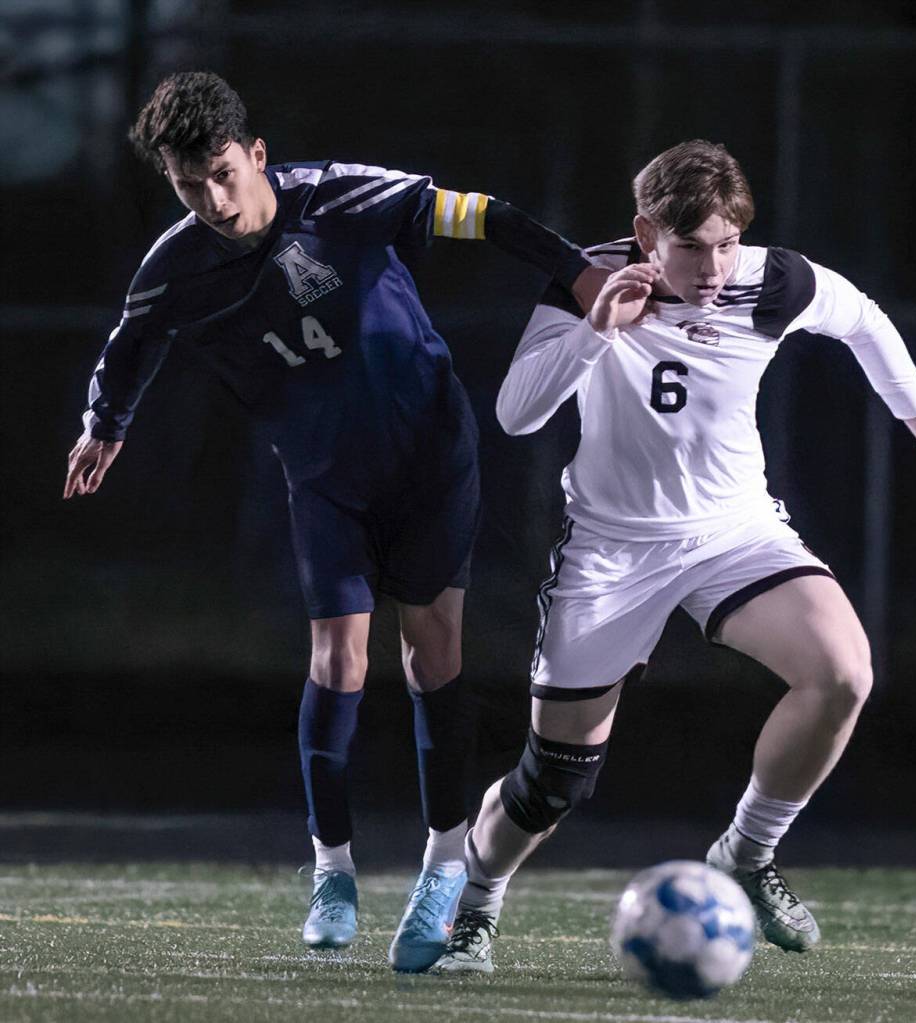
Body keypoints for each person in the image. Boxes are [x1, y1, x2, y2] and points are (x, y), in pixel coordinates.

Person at [62, 70, 595, 974]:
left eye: (223, 173)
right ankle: (333, 870)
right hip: (322, 475)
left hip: (429, 453)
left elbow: (479, 213)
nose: (211, 198)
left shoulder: (342, 195)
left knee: (432, 654)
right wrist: (103, 425)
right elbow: (133, 339)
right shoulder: (177, 265)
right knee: (335, 655)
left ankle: (439, 868)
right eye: (188, 184)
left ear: (256, 154)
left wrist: (575, 269)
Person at [433, 139, 916, 973]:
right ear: (646, 231)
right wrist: (595, 330)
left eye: (726, 242)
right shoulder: (591, 276)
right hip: (613, 551)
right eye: (690, 245)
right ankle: (473, 903)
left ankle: (744, 852)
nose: (711, 265)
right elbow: (517, 414)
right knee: (552, 782)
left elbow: (864, 321)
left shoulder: (773, 280)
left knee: (842, 672)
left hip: (733, 532)